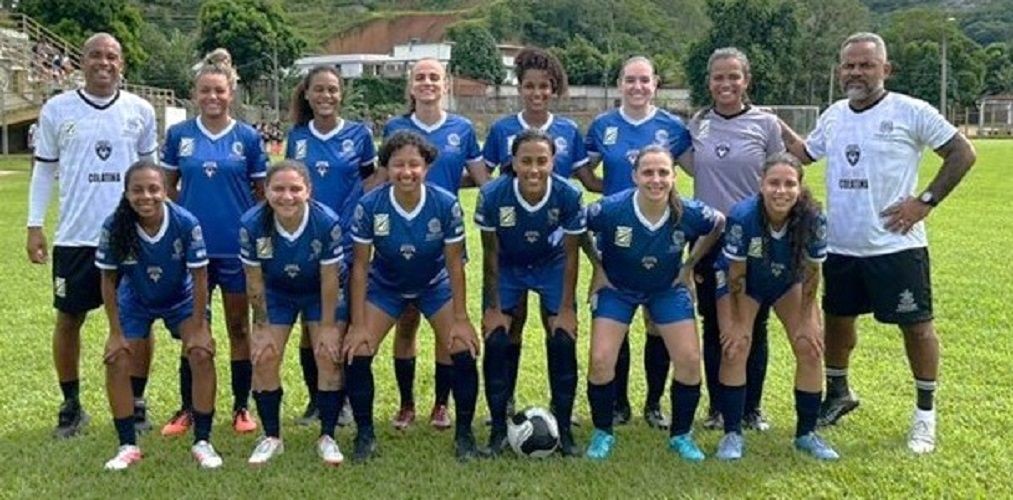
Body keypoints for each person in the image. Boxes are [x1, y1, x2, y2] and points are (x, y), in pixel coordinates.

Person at [781, 32, 976, 454]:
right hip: (842, 246)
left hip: (896, 247)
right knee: (837, 322)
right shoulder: (834, 115)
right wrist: (764, 119)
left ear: (885, 69)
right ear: (839, 71)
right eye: (849, 65)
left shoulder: (911, 111)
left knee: (917, 327)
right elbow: (804, 153)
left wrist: (925, 201)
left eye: (866, 65)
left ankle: (925, 414)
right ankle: (838, 394)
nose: (856, 72)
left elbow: (963, 153)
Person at [26, 33, 158, 439]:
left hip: (129, 234)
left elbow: (151, 174)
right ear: (81, 62)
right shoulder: (57, 109)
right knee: (69, 318)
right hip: (76, 237)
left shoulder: (140, 110)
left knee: (139, 319)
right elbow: (45, 170)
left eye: (112, 56)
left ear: (122, 64)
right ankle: (71, 405)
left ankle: (135, 403)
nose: (104, 63)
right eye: (96, 56)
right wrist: (34, 225)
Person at [342, 131, 483, 462]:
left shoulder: (444, 203)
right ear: (386, 168)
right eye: (398, 165)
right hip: (386, 285)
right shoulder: (370, 205)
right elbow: (361, 267)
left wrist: (461, 319)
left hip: (434, 284)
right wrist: (359, 323)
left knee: (463, 349)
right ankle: (365, 436)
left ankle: (464, 435)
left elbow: (454, 264)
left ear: (427, 166)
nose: (406, 172)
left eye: (414, 165)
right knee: (357, 351)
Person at [583, 146, 723, 461]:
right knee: (601, 359)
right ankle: (603, 432)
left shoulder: (688, 212)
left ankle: (681, 435)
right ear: (635, 176)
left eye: (663, 172)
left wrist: (690, 265)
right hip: (618, 288)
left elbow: (718, 224)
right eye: (648, 172)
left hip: (666, 289)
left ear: (674, 176)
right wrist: (597, 266)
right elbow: (577, 227)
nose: (656, 180)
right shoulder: (609, 210)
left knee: (688, 359)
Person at [480, 47, 592, 419]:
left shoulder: (568, 131)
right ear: (520, 89)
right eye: (530, 86)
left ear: (553, 89)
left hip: (552, 248)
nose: (537, 93)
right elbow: (488, 177)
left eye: (545, 87)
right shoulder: (501, 129)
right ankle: (504, 402)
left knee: (557, 325)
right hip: (512, 244)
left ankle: (564, 410)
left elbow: (583, 180)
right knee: (510, 326)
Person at [581, 56, 693, 428]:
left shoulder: (672, 128)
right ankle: (618, 402)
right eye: (630, 80)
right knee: (617, 320)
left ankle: (654, 402)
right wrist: (606, 191)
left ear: (655, 84)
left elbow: (696, 167)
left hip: (660, 236)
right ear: (620, 84)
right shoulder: (602, 125)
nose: (637, 87)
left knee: (656, 324)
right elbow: (584, 170)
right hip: (616, 236)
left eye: (644, 80)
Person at [161, 50, 267, 436]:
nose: (212, 97)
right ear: (195, 93)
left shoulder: (248, 138)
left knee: (239, 327)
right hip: (193, 252)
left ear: (230, 93)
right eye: (205, 90)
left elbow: (261, 195)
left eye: (219, 91)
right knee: (193, 328)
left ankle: (242, 405)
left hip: (234, 249)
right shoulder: (179, 136)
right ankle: (189, 406)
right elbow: (167, 189)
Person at [681, 47, 785, 432]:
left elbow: (778, 175)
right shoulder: (698, 124)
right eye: (718, 77)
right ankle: (719, 408)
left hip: (755, 238)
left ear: (746, 81)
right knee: (714, 325)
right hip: (710, 241)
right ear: (709, 82)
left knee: (754, 323)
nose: (726, 84)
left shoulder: (766, 124)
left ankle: (751, 407)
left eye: (733, 76)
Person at [382, 58, 488, 431]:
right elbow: (384, 180)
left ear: (446, 85)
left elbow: (481, 179)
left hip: (446, 238)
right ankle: (407, 403)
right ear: (410, 86)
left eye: (434, 77)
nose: (428, 83)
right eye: (420, 77)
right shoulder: (396, 127)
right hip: (401, 237)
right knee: (406, 320)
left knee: (446, 323)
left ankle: (441, 405)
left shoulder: (461, 128)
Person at [96, 162, 222, 470]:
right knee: (116, 358)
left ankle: (203, 441)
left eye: (153, 189)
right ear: (126, 194)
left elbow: (200, 276)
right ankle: (127, 445)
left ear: (165, 191)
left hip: (181, 298)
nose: (146, 196)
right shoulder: (115, 225)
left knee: (201, 353)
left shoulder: (185, 222)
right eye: (137, 190)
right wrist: (114, 332)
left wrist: (200, 325)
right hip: (136, 298)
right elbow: (108, 280)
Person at [712, 153, 838, 461]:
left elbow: (811, 272)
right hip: (745, 283)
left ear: (799, 187)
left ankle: (806, 434)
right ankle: (732, 433)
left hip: (788, 282)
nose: (781, 191)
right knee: (736, 346)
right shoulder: (743, 217)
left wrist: (808, 319)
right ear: (761, 184)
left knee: (810, 347)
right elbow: (737, 273)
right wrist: (740, 322)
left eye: (789, 184)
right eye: (774, 183)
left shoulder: (813, 217)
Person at [476, 129, 585, 457]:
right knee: (496, 338)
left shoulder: (568, 194)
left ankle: (564, 430)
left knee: (563, 338)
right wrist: (493, 307)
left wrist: (566, 308)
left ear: (553, 162)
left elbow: (571, 255)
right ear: (513, 162)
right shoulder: (493, 195)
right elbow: (490, 255)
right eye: (526, 161)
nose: (534, 169)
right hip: (508, 265)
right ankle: (498, 428)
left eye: (542, 160)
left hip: (551, 265)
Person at [286, 65, 378, 427]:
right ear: (307, 95)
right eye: (319, 90)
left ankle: (348, 403)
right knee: (313, 325)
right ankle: (318, 401)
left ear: (342, 95)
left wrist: (358, 214)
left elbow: (373, 179)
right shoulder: (297, 137)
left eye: (332, 90)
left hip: (350, 241)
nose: (326, 96)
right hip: (309, 242)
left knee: (348, 321)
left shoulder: (359, 134)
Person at [239, 161, 348, 466]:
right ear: (266, 191)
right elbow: (254, 279)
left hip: (317, 292)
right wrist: (260, 326)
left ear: (308, 191)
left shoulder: (326, 222)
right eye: (278, 189)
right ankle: (272, 436)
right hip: (277, 293)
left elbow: (330, 279)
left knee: (328, 354)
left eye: (295, 189)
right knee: (263, 355)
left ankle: (328, 436)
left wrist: (327, 326)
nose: (287, 196)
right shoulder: (252, 224)